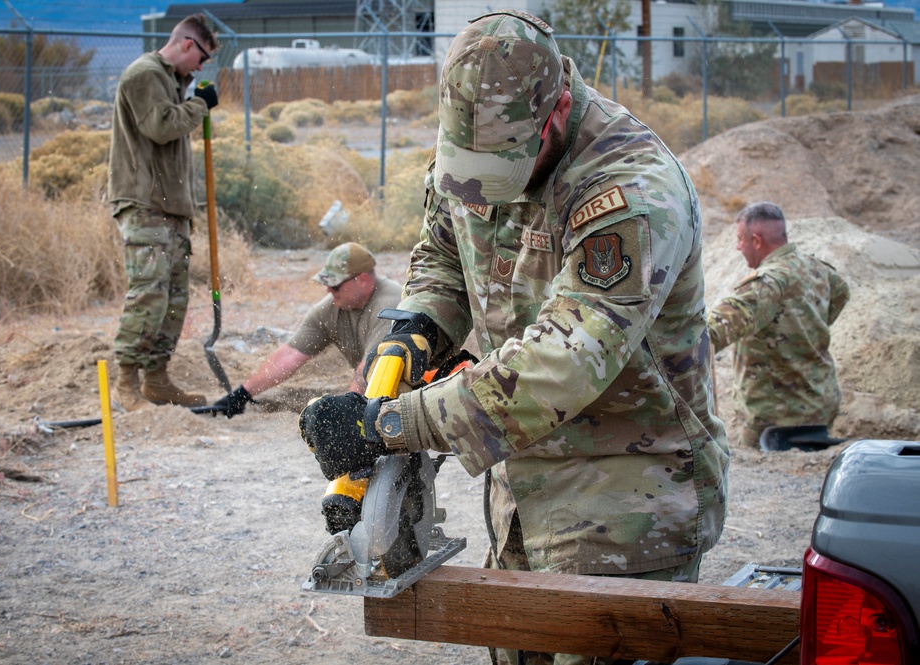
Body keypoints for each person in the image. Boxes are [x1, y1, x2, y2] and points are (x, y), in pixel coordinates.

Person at [298, 11, 729, 665]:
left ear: (553, 113)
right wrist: (412, 333)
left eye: (501, 168)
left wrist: (386, 423)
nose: (482, 187)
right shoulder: (474, 147)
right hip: (519, 478)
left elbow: (562, 363)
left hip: (624, 493)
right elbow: (442, 257)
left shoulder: (628, 190)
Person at [108, 14, 220, 412]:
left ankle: (156, 379)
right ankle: (126, 382)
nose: (201, 67)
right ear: (188, 44)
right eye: (202, 58)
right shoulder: (145, 74)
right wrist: (198, 106)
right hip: (145, 205)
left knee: (173, 298)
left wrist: (192, 94)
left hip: (170, 208)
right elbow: (160, 126)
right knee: (149, 295)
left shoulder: (171, 80)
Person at [707, 202, 850, 448]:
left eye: (741, 239)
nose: (738, 246)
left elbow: (710, 333)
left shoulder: (765, 284)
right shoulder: (818, 270)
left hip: (772, 418)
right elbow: (841, 293)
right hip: (820, 406)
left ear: (757, 241)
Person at [214, 242, 403, 417]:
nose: (329, 290)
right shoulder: (335, 306)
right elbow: (290, 355)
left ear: (362, 279)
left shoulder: (390, 304)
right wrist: (241, 394)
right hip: (379, 387)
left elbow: (371, 368)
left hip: (415, 392)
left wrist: (346, 413)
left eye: (335, 285)